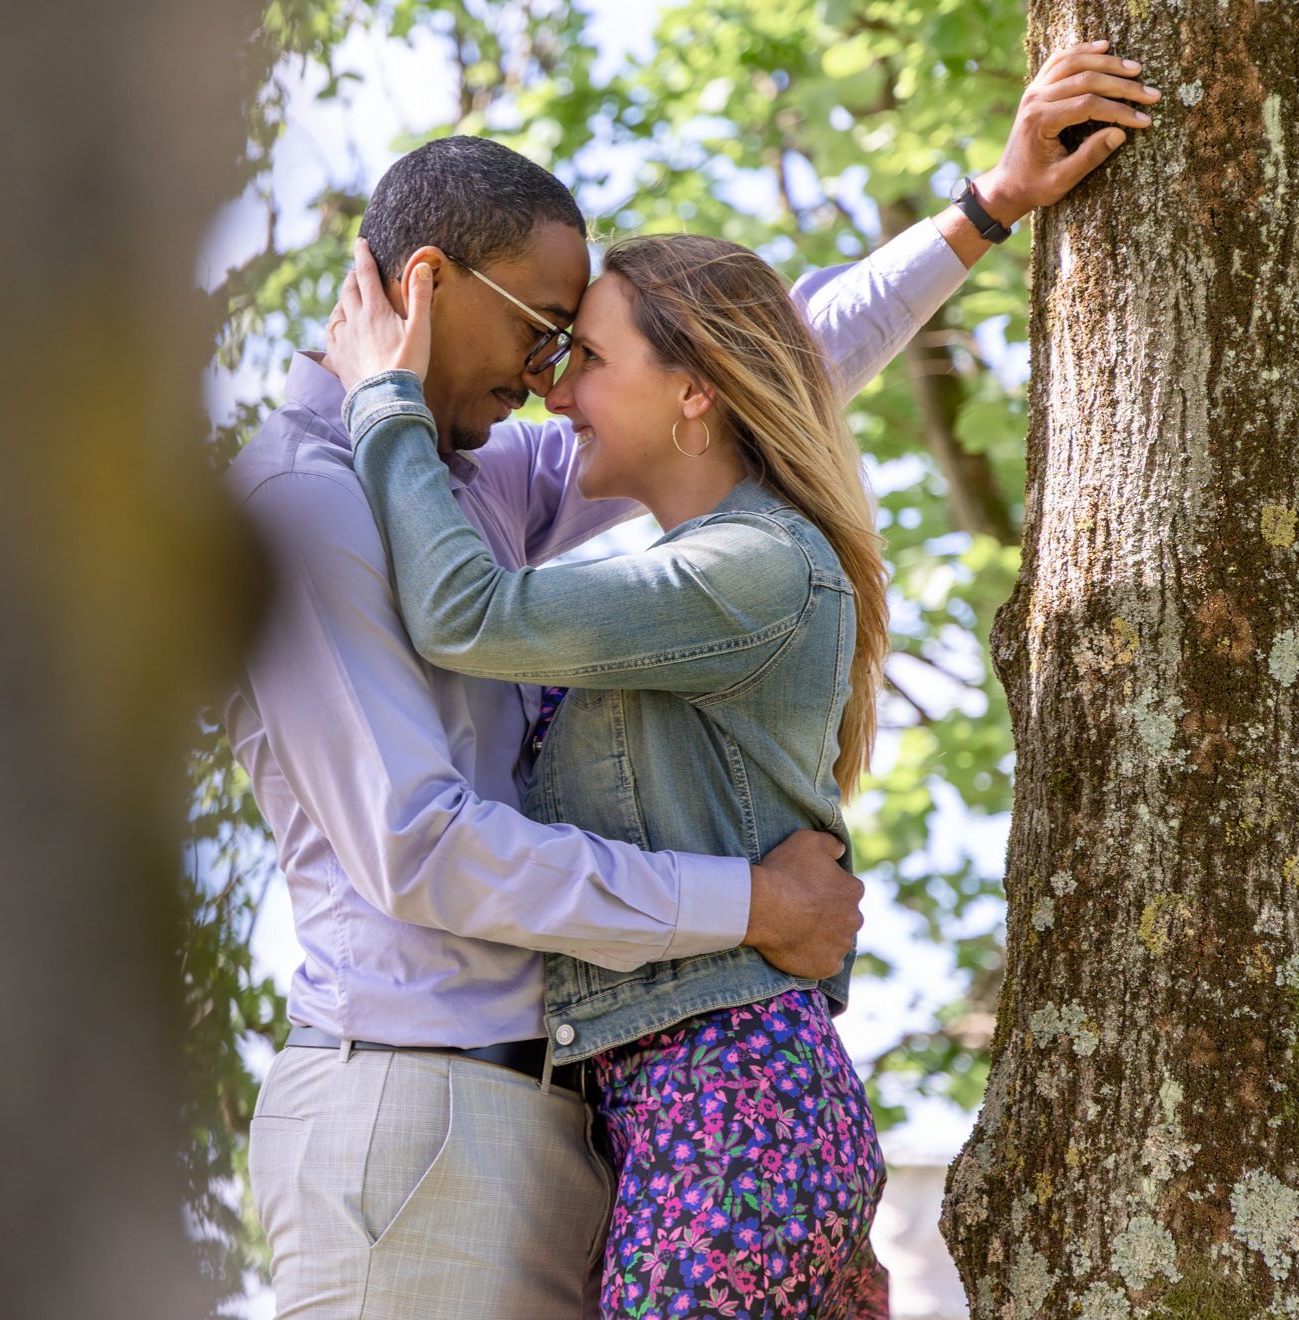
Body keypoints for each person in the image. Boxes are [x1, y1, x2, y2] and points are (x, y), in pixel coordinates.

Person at [319, 39, 1155, 1319]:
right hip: (693, 1118)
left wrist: (381, 405)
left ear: (695, 396)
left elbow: (467, 614)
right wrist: (986, 208)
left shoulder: (750, 568)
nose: (553, 389)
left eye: (584, 356)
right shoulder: (685, 558)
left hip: (731, 1118)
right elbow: (804, 342)